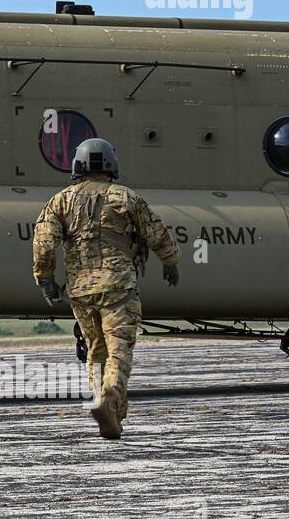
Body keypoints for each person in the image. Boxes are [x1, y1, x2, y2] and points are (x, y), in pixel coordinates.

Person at [31, 138, 181, 439]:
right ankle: (109, 400)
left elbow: (44, 242)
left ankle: (106, 407)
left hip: (81, 291)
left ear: (77, 166)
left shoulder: (60, 200)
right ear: (111, 165)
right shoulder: (124, 197)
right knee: (119, 351)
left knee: (95, 351)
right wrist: (171, 260)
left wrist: (45, 278)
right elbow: (156, 232)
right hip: (117, 287)